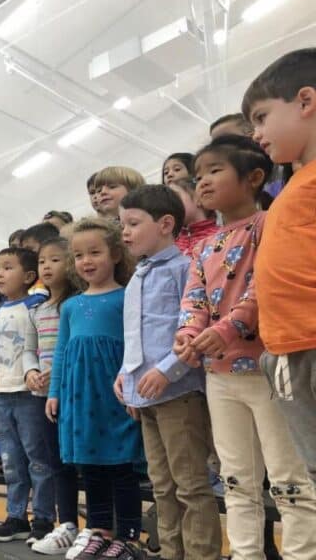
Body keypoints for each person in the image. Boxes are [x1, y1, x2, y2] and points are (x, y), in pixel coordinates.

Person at [175, 134, 316, 559]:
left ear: (254, 177)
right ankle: (245, 553)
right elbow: (193, 296)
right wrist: (188, 332)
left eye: (214, 171)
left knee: (290, 479)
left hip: (269, 371)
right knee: (237, 478)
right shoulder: (201, 246)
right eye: (198, 175)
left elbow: (266, 286)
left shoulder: (270, 224)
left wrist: (231, 327)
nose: (202, 182)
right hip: (220, 375)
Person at [116, 185, 221, 559]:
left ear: (165, 224)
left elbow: (194, 326)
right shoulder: (136, 277)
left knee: (191, 486)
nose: (124, 231)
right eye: (121, 224)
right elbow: (134, 333)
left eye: (133, 223)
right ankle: (170, 553)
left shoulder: (186, 269)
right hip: (144, 396)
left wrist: (166, 371)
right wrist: (127, 376)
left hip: (178, 393)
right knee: (162, 487)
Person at [47, 218, 142, 559]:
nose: (86, 261)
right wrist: (54, 391)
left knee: (121, 465)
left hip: (113, 394)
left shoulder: (127, 295)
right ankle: (100, 530)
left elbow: (135, 345)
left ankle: (129, 535)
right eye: (78, 255)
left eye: (94, 252)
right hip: (78, 395)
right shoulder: (71, 305)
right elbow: (61, 351)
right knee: (91, 466)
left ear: (115, 254)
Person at [246, 48, 316, 488]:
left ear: (305, 102)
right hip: (290, 349)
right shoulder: (296, 182)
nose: (256, 134)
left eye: (261, 117)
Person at [0, 248, 56, 545]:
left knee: (36, 457)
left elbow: (38, 344)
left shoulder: (37, 304)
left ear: (28, 276)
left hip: (29, 393)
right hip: (3, 392)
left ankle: (43, 517)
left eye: (8, 267)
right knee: (11, 459)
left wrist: (38, 373)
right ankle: (16, 516)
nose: (0, 273)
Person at [29, 237, 82, 556]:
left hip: (70, 392)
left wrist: (59, 376)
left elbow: (76, 349)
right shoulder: (39, 308)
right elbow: (31, 348)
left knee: (77, 461)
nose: (46, 267)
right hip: (42, 394)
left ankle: (100, 528)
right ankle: (67, 524)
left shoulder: (74, 305)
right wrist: (31, 372)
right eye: (42, 262)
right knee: (55, 461)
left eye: (55, 260)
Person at [169, 179, 218, 257]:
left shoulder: (218, 237)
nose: (170, 205)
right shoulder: (172, 241)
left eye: (175, 197)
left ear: (198, 199)